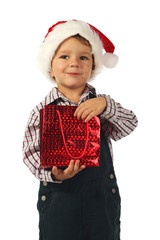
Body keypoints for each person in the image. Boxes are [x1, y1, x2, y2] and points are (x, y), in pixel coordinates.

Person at [23, 20, 138, 240]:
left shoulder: (101, 106)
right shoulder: (42, 111)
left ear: (93, 66)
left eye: (83, 57)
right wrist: (53, 173)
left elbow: (129, 124)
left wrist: (105, 104)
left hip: (101, 202)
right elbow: (30, 153)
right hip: (59, 201)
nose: (74, 63)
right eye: (64, 56)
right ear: (50, 66)